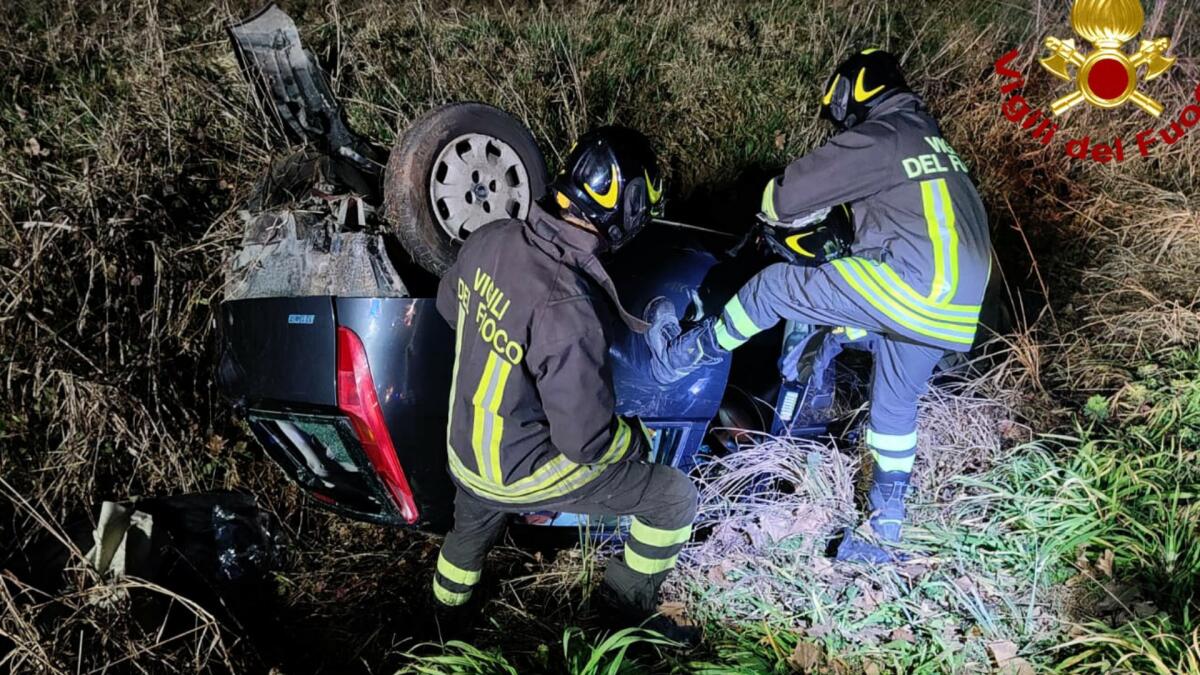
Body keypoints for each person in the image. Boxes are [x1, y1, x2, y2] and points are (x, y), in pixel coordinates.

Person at [646, 49, 993, 560]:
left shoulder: (884, 134)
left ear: (857, 90)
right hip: (959, 305)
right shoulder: (934, 141)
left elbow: (782, 200)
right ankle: (884, 531)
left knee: (777, 286)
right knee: (894, 408)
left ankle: (685, 354)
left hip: (915, 282)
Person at [431, 126, 700, 643]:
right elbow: (585, 441)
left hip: (465, 453)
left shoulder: (490, 238)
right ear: (631, 209)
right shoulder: (568, 306)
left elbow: (450, 307)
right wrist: (634, 440)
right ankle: (623, 610)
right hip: (520, 472)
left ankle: (442, 622)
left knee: (467, 535)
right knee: (672, 498)